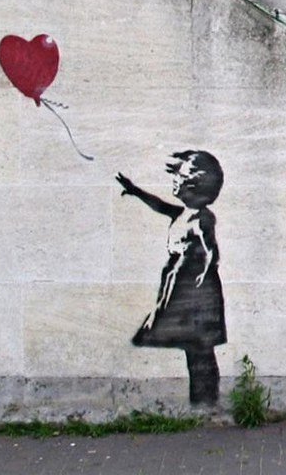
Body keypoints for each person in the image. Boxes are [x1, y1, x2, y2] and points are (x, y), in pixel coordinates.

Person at [116, 150, 227, 405]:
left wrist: (203, 272)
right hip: (183, 281)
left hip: (195, 288)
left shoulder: (201, 218)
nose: (175, 180)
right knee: (195, 346)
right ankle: (203, 399)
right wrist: (135, 191)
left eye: (181, 176)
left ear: (196, 184)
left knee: (199, 347)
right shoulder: (183, 213)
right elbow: (159, 205)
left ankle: (205, 399)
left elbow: (212, 251)